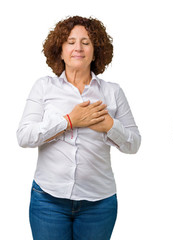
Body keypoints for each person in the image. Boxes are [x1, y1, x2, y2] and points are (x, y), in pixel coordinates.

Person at [17, 16, 141, 240]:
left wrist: (110, 126)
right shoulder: (44, 87)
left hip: (99, 204)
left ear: (96, 51)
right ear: (60, 50)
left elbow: (134, 144)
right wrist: (69, 121)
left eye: (86, 42)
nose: (78, 48)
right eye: (70, 41)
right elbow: (24, 136)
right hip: (48, 200)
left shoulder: (112, 92)